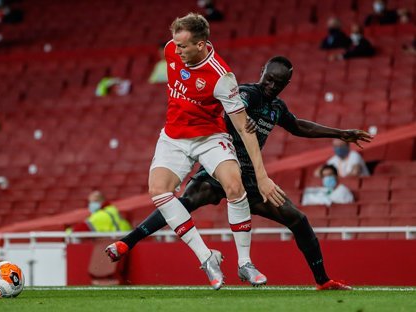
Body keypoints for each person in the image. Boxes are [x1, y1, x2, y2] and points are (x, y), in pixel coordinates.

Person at [106, 56, 373, 290]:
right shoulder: (246, 94)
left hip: (250, 182)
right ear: (262, 73)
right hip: (218, 169)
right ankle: (127, 243)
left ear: (285, 85)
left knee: (298, 220)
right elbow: (235, 106)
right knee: (180, 202)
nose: (271, 86)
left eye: (277, 84)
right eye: (268, 80)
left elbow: (298, 126)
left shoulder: (276, 108)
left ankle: (322, 280)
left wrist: (340, 134)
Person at [107, 13, 286, 290]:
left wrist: (263, 177)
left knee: (234, 185)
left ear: (201, 45)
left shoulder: (221, 77)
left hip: (209, 137)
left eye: (183, 46)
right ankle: (207, 257)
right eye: (175, 45)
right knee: (159, 191)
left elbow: (244, 129)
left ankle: (244, 263)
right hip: (174, 138)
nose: (175, 50)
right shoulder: (170, 49)